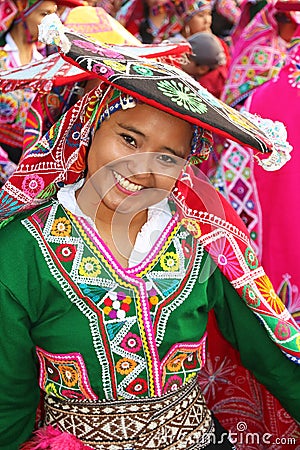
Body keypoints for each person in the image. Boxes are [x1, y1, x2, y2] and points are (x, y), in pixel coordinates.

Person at [0, 17, 299, 450]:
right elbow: (8, 400)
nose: (140, 169)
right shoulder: (20, 251)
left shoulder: (202, 242)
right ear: (89, 128)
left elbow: (269, 355)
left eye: (168, 157)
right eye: (129, 140)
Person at [181, 31, 228, 98]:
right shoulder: (221, 69)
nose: (181, 58)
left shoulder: (204, 90)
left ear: (202, 69)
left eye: (186, 57)